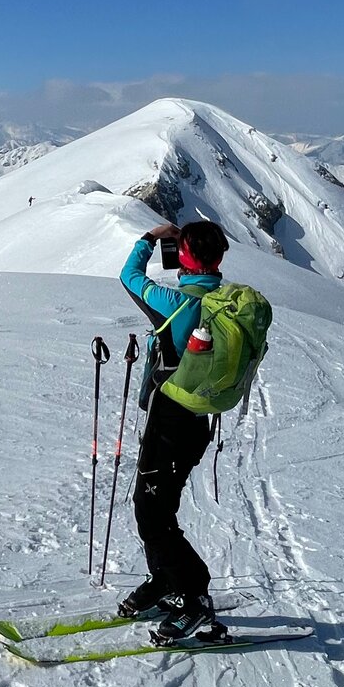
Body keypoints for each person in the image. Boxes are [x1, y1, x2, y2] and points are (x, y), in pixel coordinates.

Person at [116, 219, 233, 644]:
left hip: (170, 421)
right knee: (158, 506)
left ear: (182, 258)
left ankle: (194, 594)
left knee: (151, 512)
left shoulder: (176, 303)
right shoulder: (223, 303)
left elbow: (129, 277)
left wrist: (149, 239)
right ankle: (165, 578)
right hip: (195, 422)